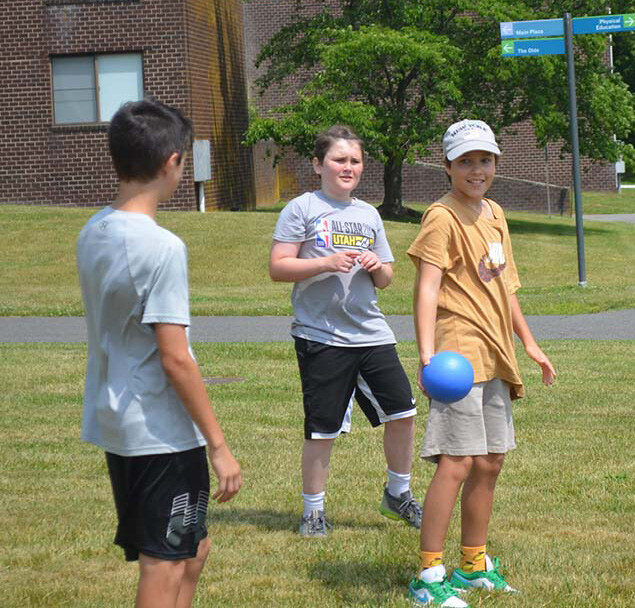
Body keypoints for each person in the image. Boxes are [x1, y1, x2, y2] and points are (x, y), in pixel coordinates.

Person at [76, 99, 242, 608]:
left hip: (118, 420)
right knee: (164, 562)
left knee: (193, 548)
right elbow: (176, 359)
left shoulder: (94, 230)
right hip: (161, 432)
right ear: (173, 163)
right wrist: (218, 444)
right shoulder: (162, 247)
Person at [406, 119, 556, 607]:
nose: (477, 170)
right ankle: (428, 575)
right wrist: (426, 355)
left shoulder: (494, 213)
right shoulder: (441, 217)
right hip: (458, 355)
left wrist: (529, 343)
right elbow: (427, 288)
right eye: (466, 161)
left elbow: (504, 286)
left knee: (490, 461)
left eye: (485, 160)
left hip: (496, 351)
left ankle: (472, 565)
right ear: (447, 166)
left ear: (496, 164)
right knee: (456, 462)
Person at [270, 125, 422, 537]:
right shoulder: (302, 208)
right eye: (339, 159)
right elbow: (278, 267)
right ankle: (313, 512)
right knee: (323, 429)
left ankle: (398, 494)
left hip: (372, 333)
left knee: (403, 412)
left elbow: (387, 278)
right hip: (321, 336)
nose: (348, 167)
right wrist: (324, 262)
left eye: (355, 160)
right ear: (318, 165)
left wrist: (377, 266)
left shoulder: (368, 214)